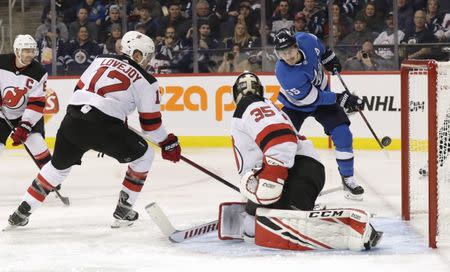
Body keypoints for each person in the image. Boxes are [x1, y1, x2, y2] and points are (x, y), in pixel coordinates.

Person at [5, 31, 182, 230]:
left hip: (72, 120)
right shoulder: (148, 81)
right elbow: (151, 126)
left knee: (57, 168)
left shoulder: (101, 59)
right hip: (105, 127)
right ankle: (124, 210)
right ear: (137, 54)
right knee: (145, 156)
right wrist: (168, 143)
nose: (148, 61)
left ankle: (21, 211)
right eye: (147, 56)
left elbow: (79, 89)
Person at [218, 72, 382, 251]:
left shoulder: (248, 105)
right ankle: (276, 212)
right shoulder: (262, 106)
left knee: (281, 230)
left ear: (235, 94)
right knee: (254, 230)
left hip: (298, 172)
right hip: (300, 170)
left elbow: (281, 139)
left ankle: (352, 230)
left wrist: (271, 180)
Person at [272, 28, 365, 200]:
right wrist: (341, 99)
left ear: (296, 45)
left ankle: (348, 178)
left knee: (343, 134)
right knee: (283, 142)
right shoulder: (284, 72)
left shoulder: (307, 39)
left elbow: (322, 50)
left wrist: (330, 60)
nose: (288, 57)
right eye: (283, 53)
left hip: (322, 96)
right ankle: (279, 183)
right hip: (295, 106)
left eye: (290, 51)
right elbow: (313, 99)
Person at [0, 35, 52, 169]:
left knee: (37, 145)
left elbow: (37, 103)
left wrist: (25, 125)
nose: (30, 54)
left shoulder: (39, 71)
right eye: (26, 51)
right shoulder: (2, 62)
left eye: (32, 51)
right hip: (3, 114)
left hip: (27, 115)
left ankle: (50, 177)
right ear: (17, 51)